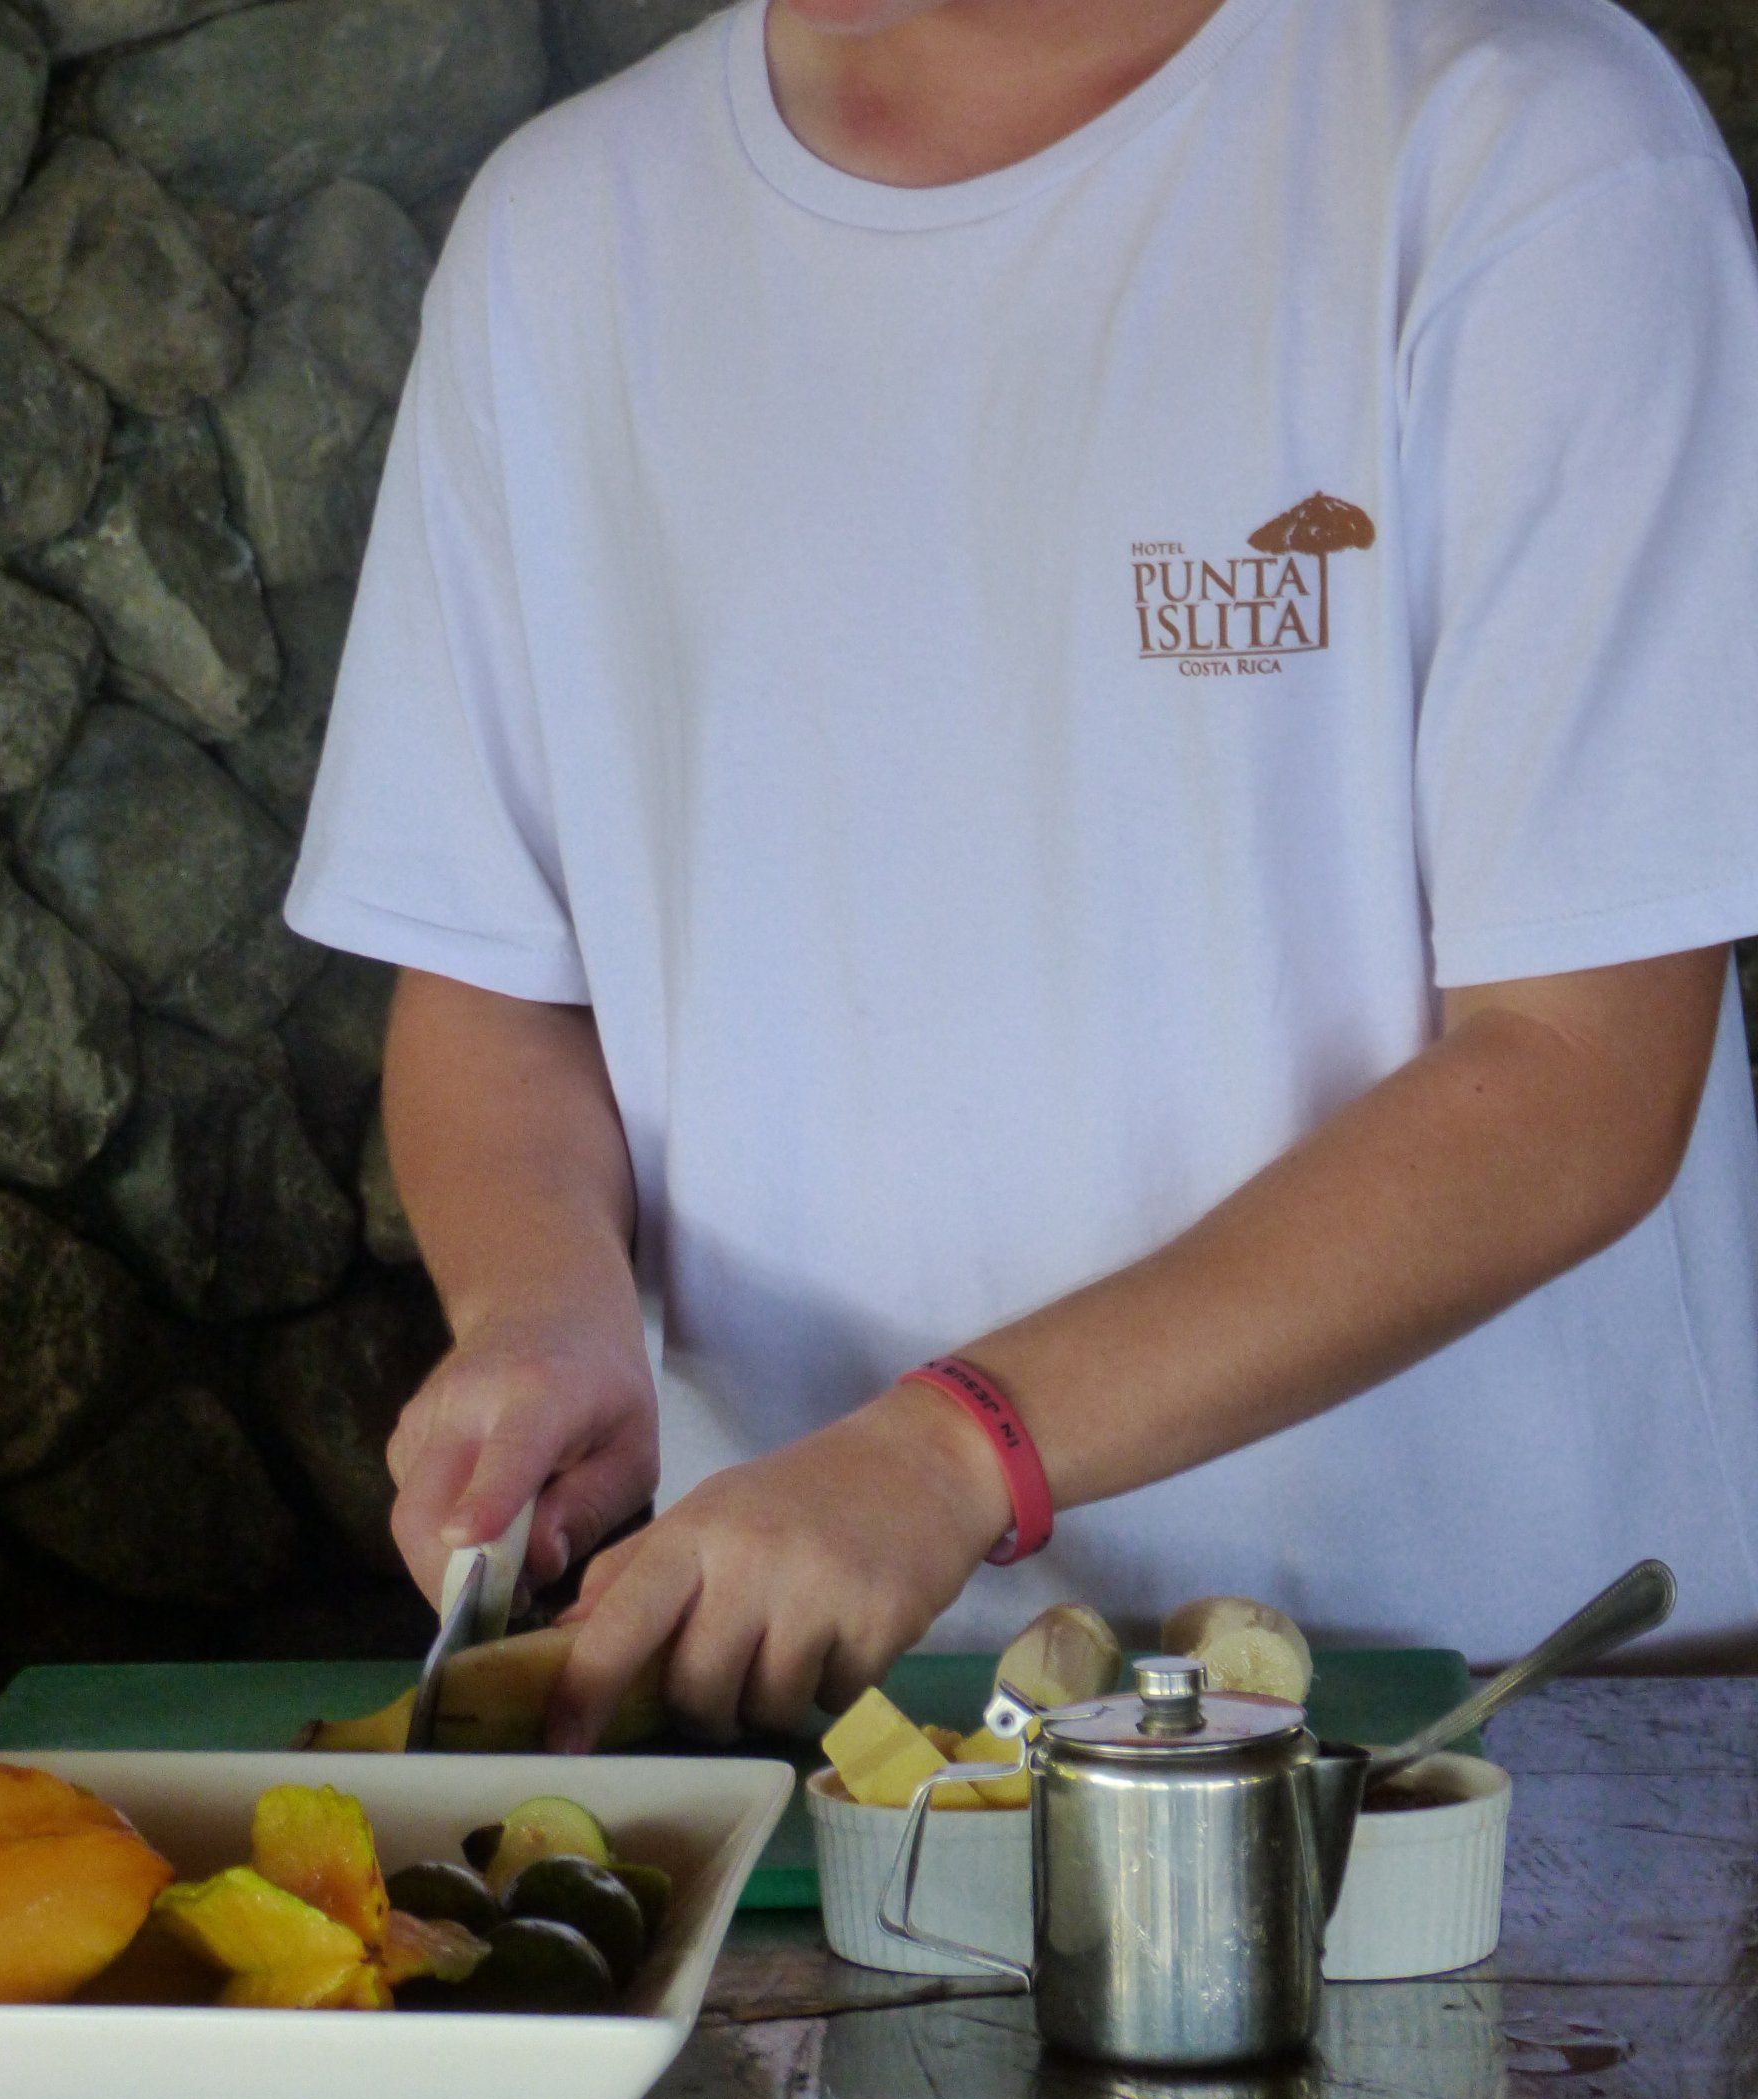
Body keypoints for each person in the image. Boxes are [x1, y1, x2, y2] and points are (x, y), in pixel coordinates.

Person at [286, 0, 1758, 1745]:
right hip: (820, 1723)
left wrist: (952, 1450)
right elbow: (496, 981)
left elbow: (1582, 1071)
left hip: (1483, 1712)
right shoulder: (563, 228)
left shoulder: (1523, 139)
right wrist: (543, 1307)